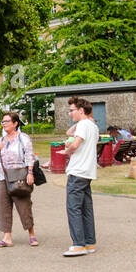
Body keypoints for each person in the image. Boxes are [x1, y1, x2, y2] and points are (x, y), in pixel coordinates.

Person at [0, 111, 38, 247]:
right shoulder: (0, 140)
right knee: (4, 206)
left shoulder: (23, 138)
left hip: (19, 175)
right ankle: (7, 237)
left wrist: (30, 173)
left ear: (15, 123)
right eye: (3, 122)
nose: (4, 124)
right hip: (2, 175)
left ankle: (32, 234)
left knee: (23, 204)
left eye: (7, 121)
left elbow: (30, 156)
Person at [61, 96, 99, 256]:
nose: (70, 114)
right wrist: (78, 120)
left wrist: (66, 150)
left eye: (72, 110)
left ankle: (78, 244)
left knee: (73, 207)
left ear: (81, 110)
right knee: (85, 208)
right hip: (88, 172)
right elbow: (69, 131)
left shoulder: (84, 124)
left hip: (77, 171)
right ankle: (89, 242)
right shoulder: (92, 126)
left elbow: (75, 143)